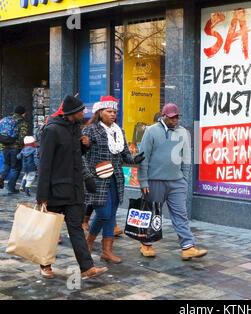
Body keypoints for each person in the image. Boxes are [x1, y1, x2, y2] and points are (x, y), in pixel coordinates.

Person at [36, 94, 108, 279]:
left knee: (76, 228)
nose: (84, 112)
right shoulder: (51, 130)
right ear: (72, 113)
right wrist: (42, 194)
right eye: (81, 110)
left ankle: (87, 267)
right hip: (55, 191)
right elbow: (45, 164)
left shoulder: (76, 129)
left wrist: (84, 145)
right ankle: (45, 265)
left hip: (75, 190)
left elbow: (75, 157)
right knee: (51, 230)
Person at [137, 102, 207, 261]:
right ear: (163, 116)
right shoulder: (151, 131)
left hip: (177, 182)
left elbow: (187, 158)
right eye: (171, 117)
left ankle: (188, 247)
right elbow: (143, 158)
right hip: (154, 181)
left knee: (181, 214)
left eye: (177, 117)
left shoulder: (184, 132)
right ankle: (146, 244)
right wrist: (143, 182)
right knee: (153, 213)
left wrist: (185, 180)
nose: (175, 120)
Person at [83, 96, 145, 264]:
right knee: (104, 213)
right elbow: (82, 155)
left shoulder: (119, 131)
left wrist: (139, 157)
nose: (112, 114)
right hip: (97, 179)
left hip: (116, 178)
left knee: (111, 213)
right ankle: (89, 241)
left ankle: (107, 250)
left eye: (114, 112)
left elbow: (125, 155)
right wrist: (88, 175)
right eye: (109, 111)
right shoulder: (91, 130)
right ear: (100, 112)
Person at [0, 105, 28, 193]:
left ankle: (0, 178)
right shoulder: (22, 122)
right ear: (23, 113)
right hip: (15, 148)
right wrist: (21, 146)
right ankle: (11, 188)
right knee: (16, 168)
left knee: (6, 164)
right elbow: (22, 137)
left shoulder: (6, 119)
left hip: (4, 146)